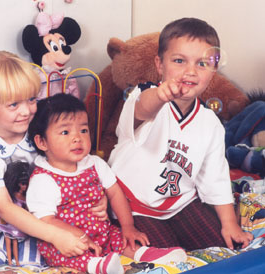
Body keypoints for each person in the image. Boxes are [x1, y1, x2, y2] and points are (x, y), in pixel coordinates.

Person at [0, 51, 107, 267]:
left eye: (31, 99)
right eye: (13, 105)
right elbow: (4, 208)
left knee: (65, 249)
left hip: (41, 201)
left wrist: (99, 195)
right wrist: (54, 235)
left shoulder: (39, 126)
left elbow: (71, 161)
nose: (26, 111)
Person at [108, 17, 254, 251]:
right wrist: (161, 95)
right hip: (132, 202)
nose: (190, 71)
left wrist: (229, 224)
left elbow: (214, 177)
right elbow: (142, 110)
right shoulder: (145, 94)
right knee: (170, 255)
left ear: (213, 71)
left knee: (218, 247)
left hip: (181, 202)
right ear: (160, 65)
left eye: (202, 64)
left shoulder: (210, 122)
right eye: (179, 61)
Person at [26, 93, 187, 274]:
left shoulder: (94, 163)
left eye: (83, 130)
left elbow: (115, 192)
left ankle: (146, 254)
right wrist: (80, 237)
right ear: (42, 142)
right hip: (69, 240)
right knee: (60, 250)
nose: (77, 138)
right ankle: (97, 266)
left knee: (121, 238)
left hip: (103, 232)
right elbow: (47, 221)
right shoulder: (43, 179)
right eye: (65, 132)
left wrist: (128, 226)